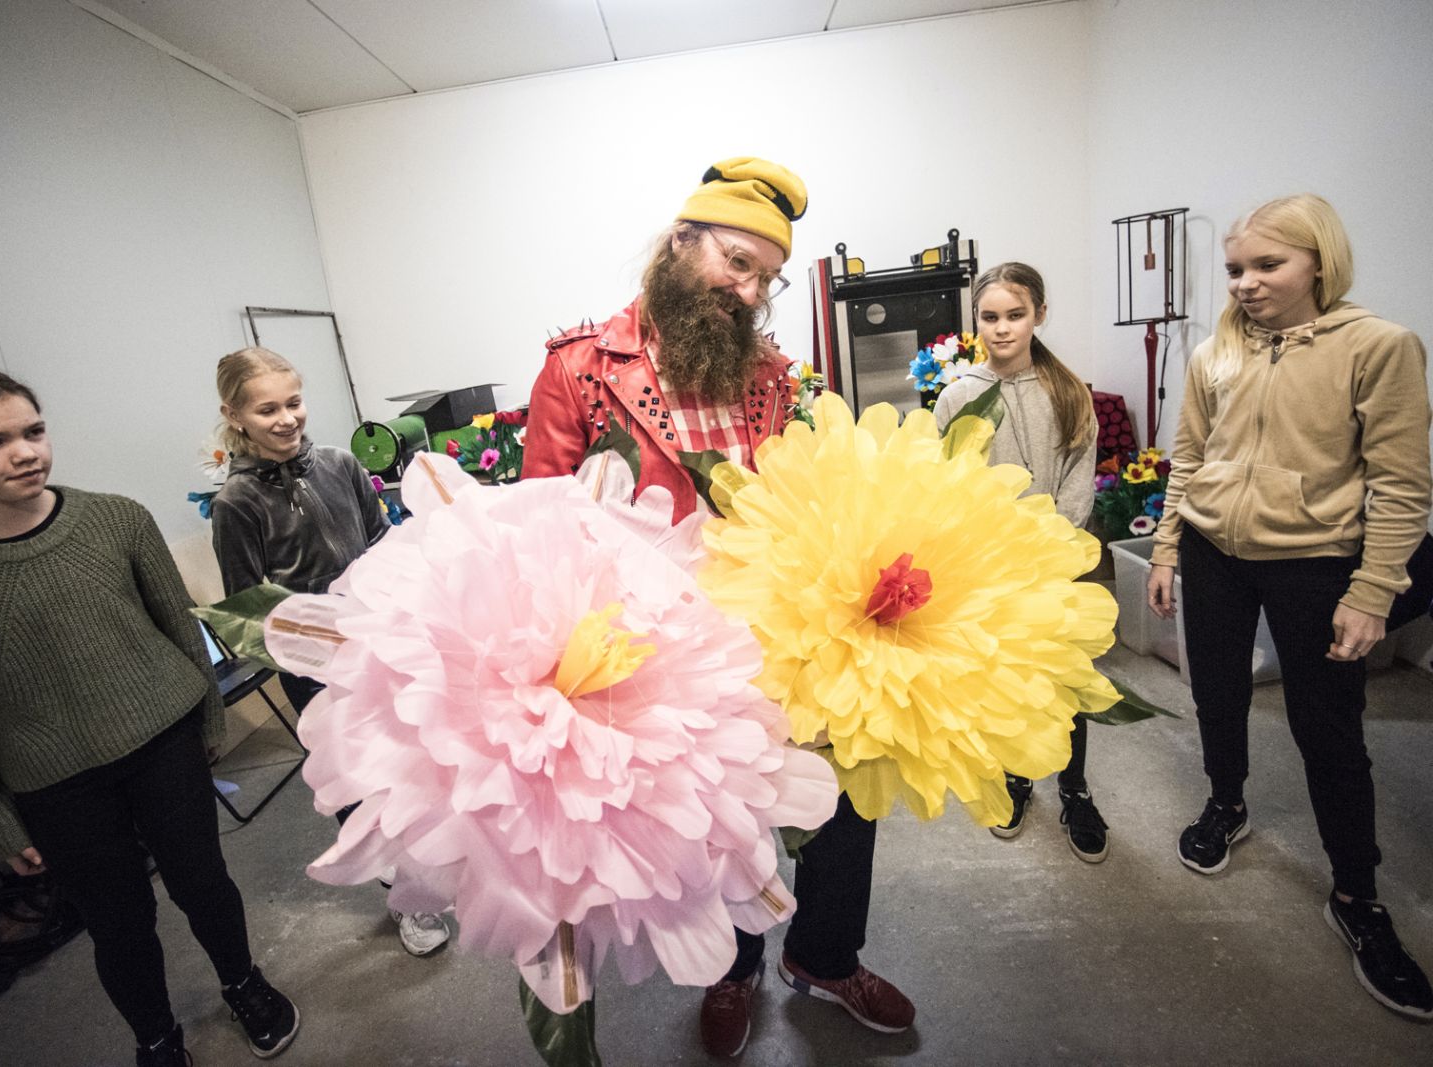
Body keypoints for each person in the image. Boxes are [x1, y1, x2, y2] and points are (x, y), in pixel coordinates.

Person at [523, 157, 915, 1058]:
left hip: (786, 632)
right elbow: (539, 526)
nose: (747, 290)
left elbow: (806, 498)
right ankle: (733, 970)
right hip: (660, 658)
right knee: (725, 823)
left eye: (765, 277)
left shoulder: (773, 375)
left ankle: (823, 956)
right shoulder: (581, 370)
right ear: (679, 243)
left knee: (841, 799)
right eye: (735, 262)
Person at [0, 365, 299, 1067]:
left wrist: (207, 722)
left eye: (33, 430)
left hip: (164, 744)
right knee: (120, 924)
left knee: (205, 884)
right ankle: (157, 1036)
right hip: (58, 783)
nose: (25, 452)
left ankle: (243, 980)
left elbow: (178, 625)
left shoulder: (115, 518)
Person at [1146, 194, 1432, 1020]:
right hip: (1213, 553)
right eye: (1236, 269)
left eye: (1268, 265)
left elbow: (1402, 483)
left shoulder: (1378, 347)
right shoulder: (1215, 353)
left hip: (1316, 563)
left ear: (1319, 264)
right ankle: (1226, 801)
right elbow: (1188, 457)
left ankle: (1356, 893)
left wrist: (1374, 591)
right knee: (1217, 695)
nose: (1246, 283)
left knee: (1327, 726)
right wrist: (1167, 549)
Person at [209, 346, 450, 957]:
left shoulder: (342, 464)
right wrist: (308, 648)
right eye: (267, 410)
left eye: (293, 403)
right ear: (234, 416)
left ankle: (435, 866)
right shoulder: (236, 503)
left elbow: (382, 541)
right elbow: (250, 606)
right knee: (354, 776)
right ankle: (401, 896)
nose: (287, 419)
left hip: (382, 636)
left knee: (408, 760)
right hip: (316, 663)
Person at [932, 263, 1106, 862]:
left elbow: (1080, 477)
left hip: (1057, 564)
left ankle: (1075, 788)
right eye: (990, 317)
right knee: (1006, 679)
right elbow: (948, 483)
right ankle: (1016, 776)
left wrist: (1054, 544)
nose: (1002, 329)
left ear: (1039, 315)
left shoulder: (1067, 389)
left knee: (1066, 679)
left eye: (1016, 315)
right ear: (974, 320)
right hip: (991, 569)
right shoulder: (957, 396)